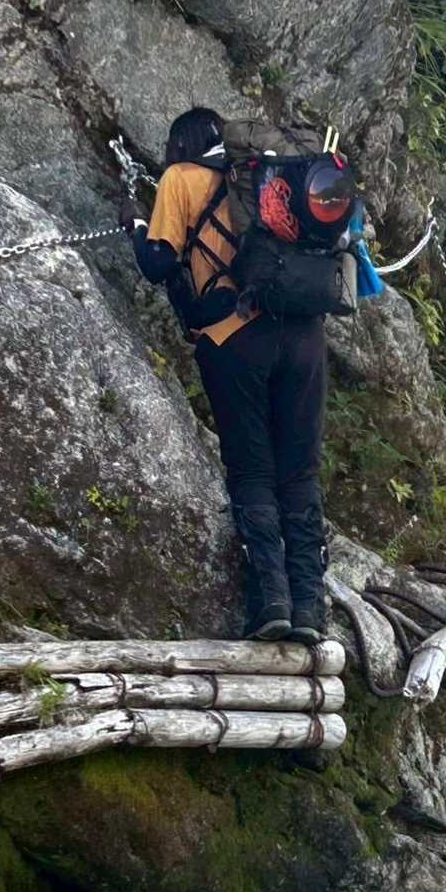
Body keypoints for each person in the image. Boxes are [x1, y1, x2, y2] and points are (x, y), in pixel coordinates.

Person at [120, 107, 329, 644]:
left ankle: (271, 602)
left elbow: (158, 265)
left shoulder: (181, 178)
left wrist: (136, 226)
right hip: (305, 337)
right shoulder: (275, 179)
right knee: (300, 473)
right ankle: (310, 606)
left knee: (253, 470)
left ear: (181, 144)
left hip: (233, 338)